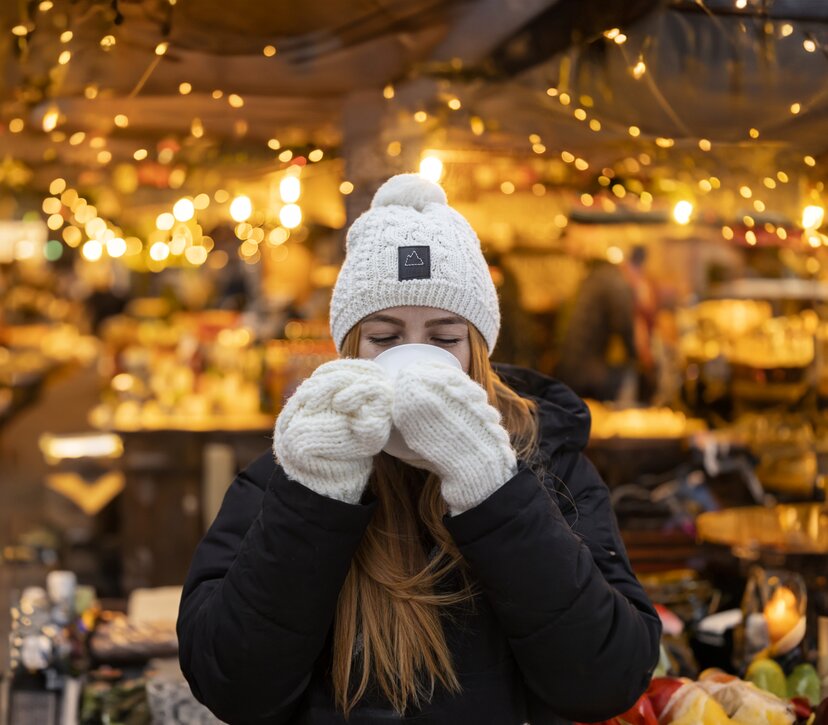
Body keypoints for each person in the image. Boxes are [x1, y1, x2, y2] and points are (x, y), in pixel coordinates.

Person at [177, 174, 661, 724]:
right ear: (352, 350)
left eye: (444, 337)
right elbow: (232, 686)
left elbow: (607, 681)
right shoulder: (294, 468)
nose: (414, 357)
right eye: (384, 338)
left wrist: (491, 487)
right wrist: (315, 496)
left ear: (478, 348)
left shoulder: (548, 462)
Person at [555, 254, 638, 402]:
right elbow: (624, 324)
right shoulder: (613, 280)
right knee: (628, 376)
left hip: (567, 368)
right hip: (588, 372)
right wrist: (635, 356)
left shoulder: (590, 279)